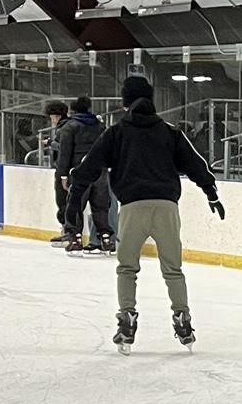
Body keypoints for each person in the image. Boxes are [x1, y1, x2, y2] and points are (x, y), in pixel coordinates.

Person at [68, 75, 222, 353]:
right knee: (173, 269)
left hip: (132, 208)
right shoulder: (170, 132)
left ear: (125, 103)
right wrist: (210, 191)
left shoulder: (116, 133)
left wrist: (74, 197)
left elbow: (89, 166)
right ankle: (183, 319)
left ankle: (127, 320)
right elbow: (195, 163)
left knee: (127, 268)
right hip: (166, 208)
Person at [56, 95, 114, 253]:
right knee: (101, 206)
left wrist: (63, 175)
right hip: (99, 171)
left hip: (79, 171)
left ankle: (76, 238)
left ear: (73, 110)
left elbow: (64, 153)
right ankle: (106, 238)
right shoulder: (100, 126)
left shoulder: (69, 127)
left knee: (75, 206)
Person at [45, 100, 71, 242]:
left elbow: (63, 147)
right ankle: (68, 229)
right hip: (65, 167)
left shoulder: (63, 129)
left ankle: (67, 230)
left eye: (52, 117)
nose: (52, 120)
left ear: (57, 116)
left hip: (63, 168)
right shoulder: (66, 126)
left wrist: (50, 143)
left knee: (63, 200)